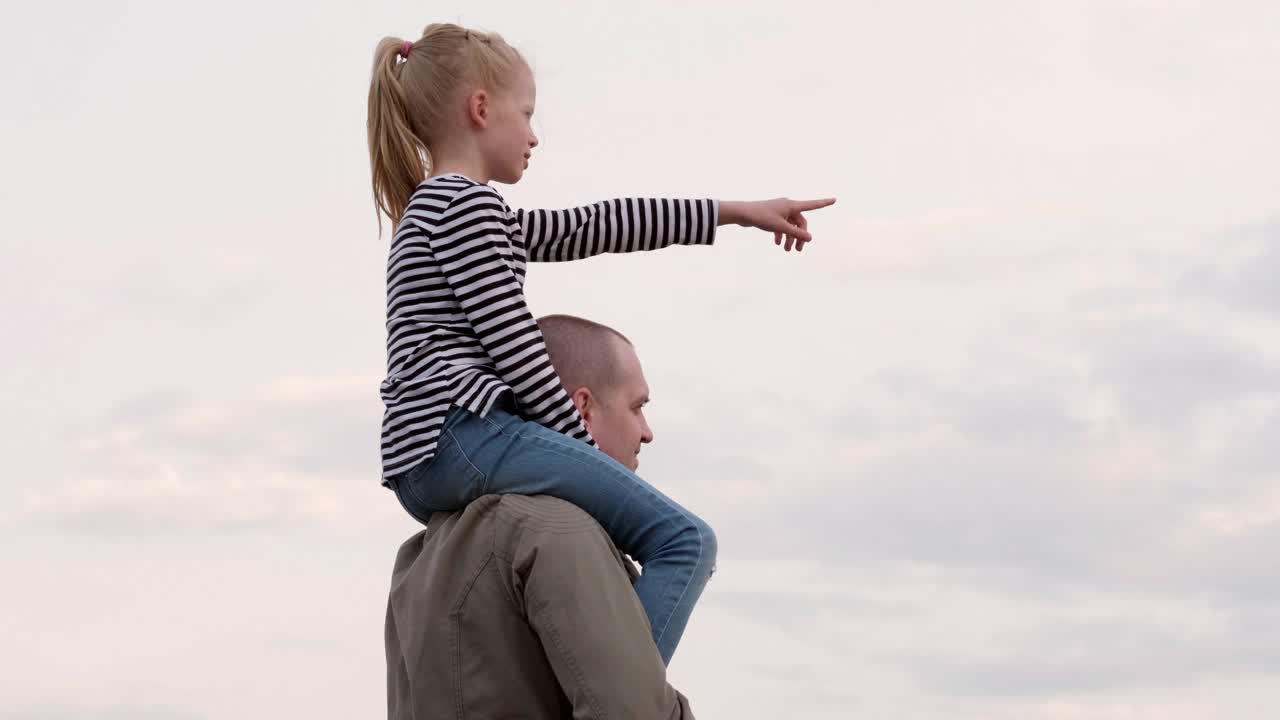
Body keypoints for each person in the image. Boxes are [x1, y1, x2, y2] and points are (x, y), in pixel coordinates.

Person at [368, 21, 835, 664]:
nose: (534, 136)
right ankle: (618, 700)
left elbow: (598, 225)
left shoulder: (443, 209)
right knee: (682, 540)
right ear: (480, 109)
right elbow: (516, 348)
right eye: (526, 115)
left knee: (628, 538)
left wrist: (734, 212)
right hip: (460, 433)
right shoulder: (464, 206)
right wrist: (583, 454)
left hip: (420, 454)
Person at [385, 315, 695, 719]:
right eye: (637, 408)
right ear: (581, 408)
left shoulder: (418, 557)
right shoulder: (559, 529)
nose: (647, 432)